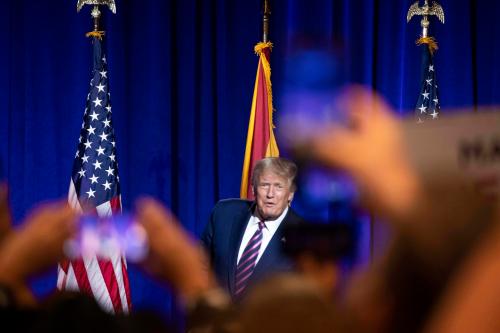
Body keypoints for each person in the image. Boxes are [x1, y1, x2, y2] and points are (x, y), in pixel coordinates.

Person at [201, 157, 304, 298]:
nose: (270, 194)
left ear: (290, 194)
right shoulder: (223, 214)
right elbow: (201, 264)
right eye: (264, 185)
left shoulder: (301, 234)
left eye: (279, 186)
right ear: (253, 189)